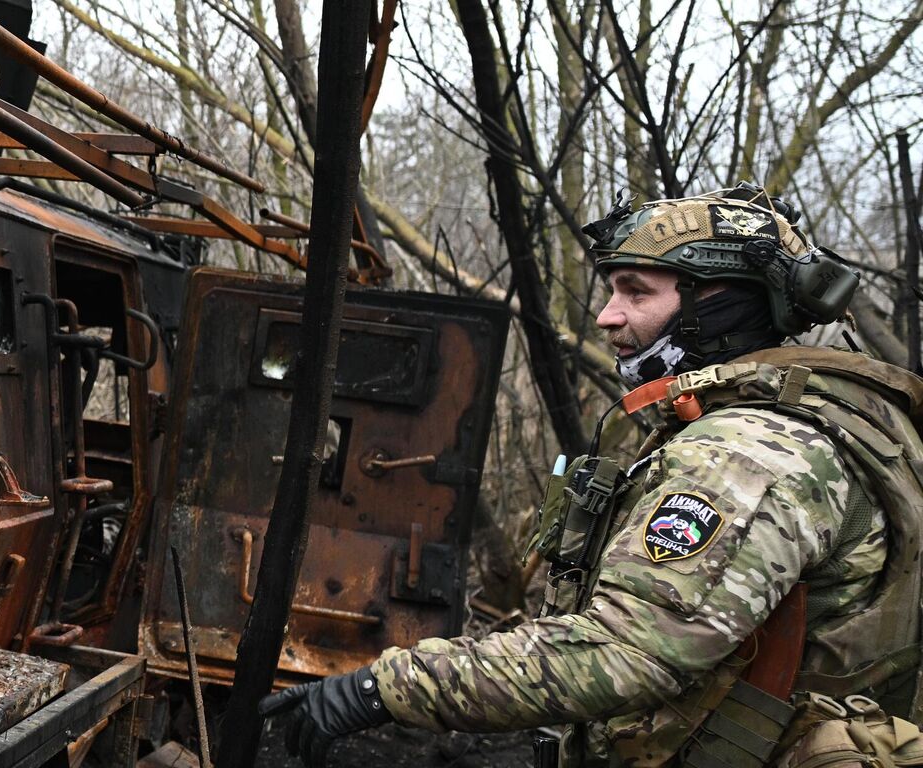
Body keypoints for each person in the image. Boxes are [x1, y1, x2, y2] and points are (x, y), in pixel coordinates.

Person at [261, 187, 923, 767]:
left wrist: (385, 688)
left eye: (637, 292)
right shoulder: (770, 424)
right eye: (612, 289)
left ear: (722, 307)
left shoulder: (747, 456)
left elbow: (625, 653)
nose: (608, 316)